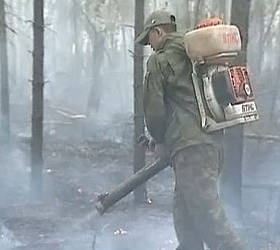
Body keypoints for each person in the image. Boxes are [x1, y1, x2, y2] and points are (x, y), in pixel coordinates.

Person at [135, 10, 245, 250]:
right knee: (186, 223)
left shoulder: (160, 61)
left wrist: (159, 140)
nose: (150, 46)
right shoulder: (194, 51)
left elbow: (154, 110)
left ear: (159, 32)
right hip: (212, 145)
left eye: (149, 40)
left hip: (192, 149)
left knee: (211, 223)